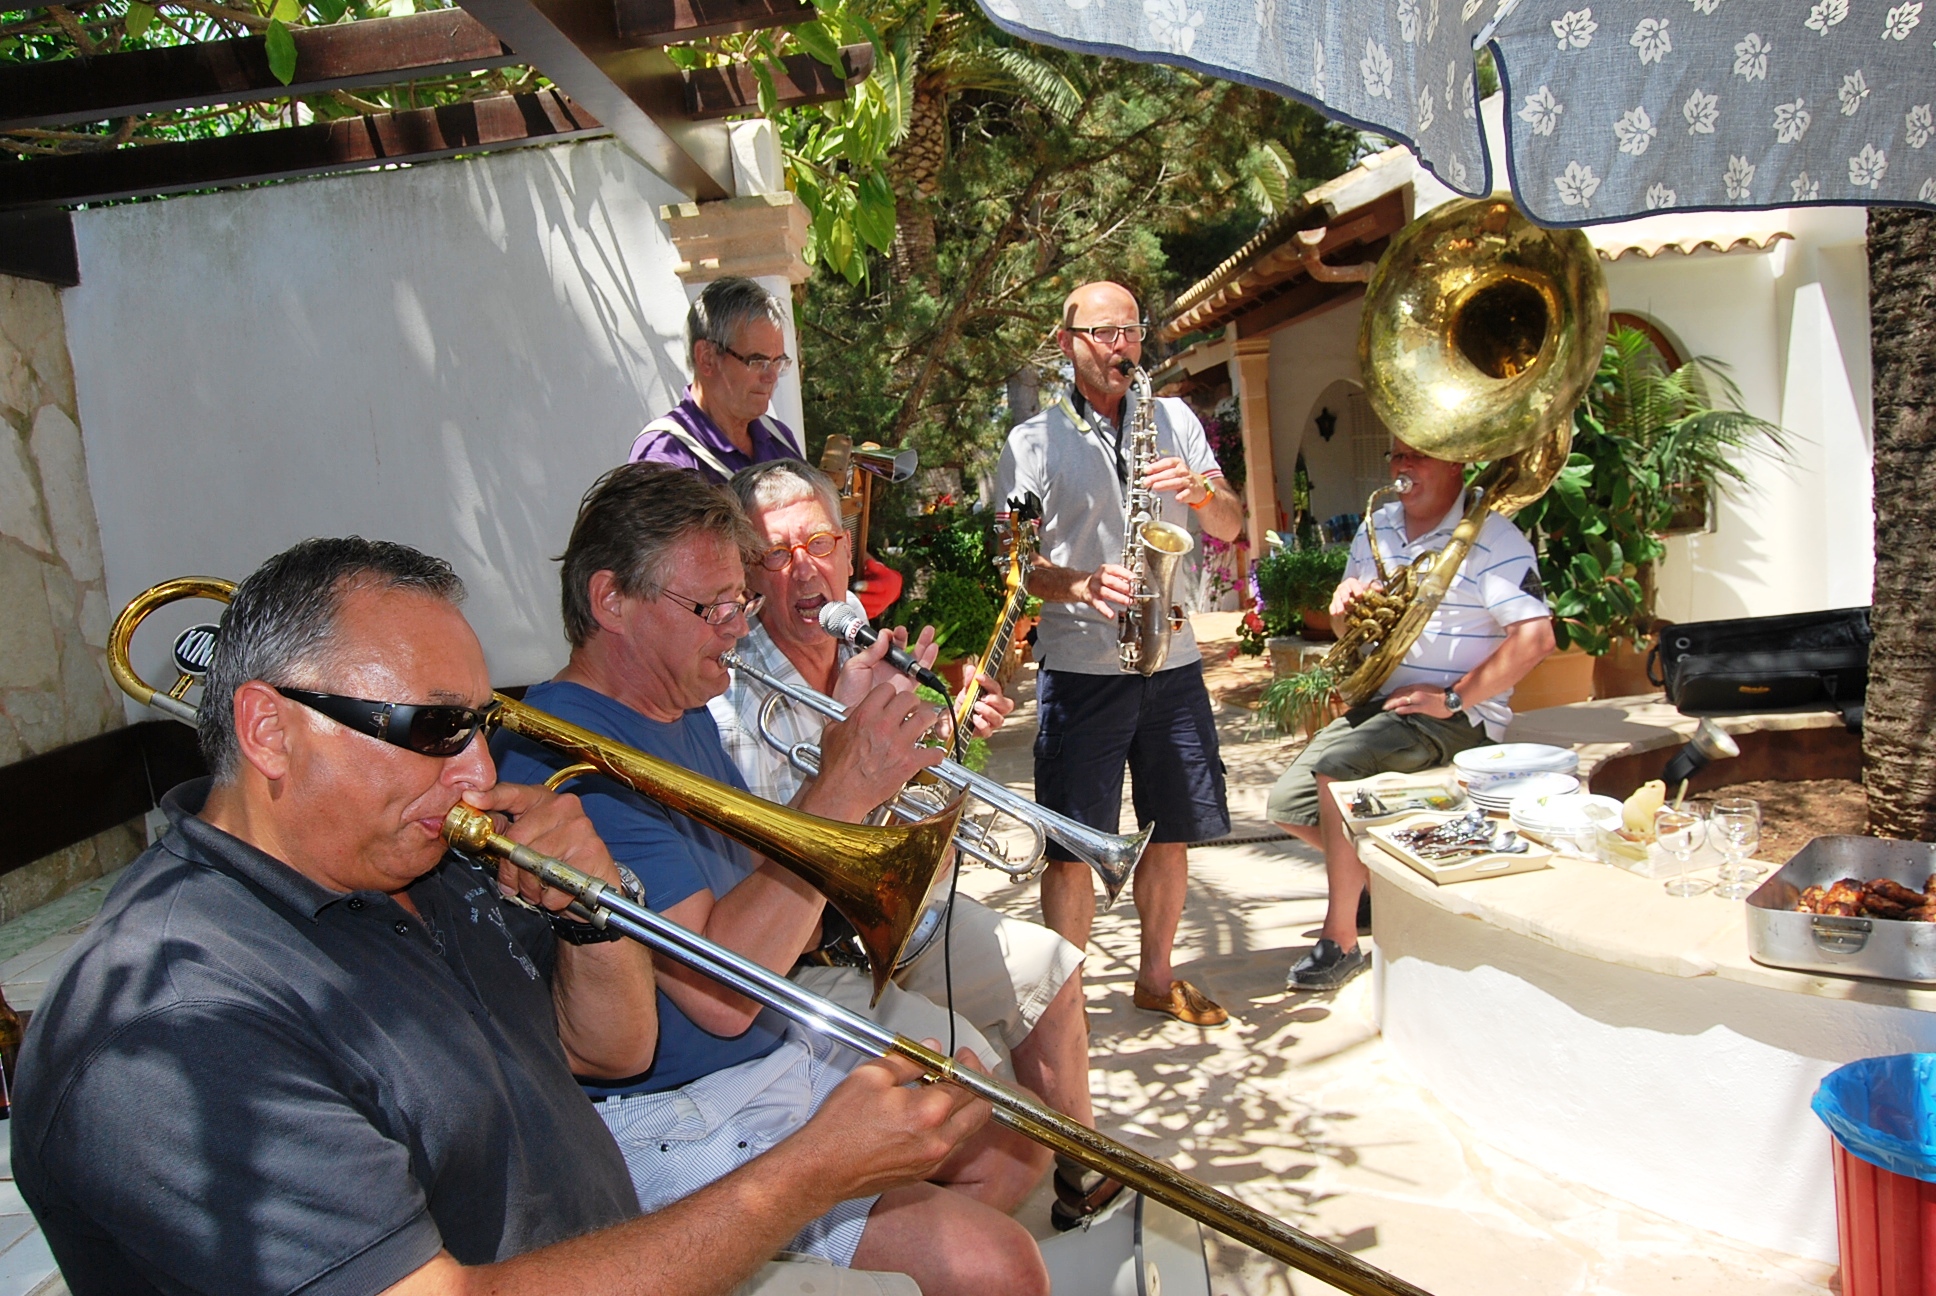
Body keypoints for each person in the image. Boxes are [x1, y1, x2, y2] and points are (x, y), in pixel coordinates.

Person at [10, 536, 988, 1296]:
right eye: (437, 728)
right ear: (269, 730)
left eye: (479, 725)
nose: (479, 772)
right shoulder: (174, 1024)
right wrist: (805, 1173)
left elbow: (612, 1050)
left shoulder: (423, 861)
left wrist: (595, 914)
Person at [494, 465, 1052, 1296]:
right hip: (677, 1104)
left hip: (770, 1049)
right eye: (711, 607)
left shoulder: (678, 708)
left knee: (1014, 1144)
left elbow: (763, 888)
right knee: (996, 1266)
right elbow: (721, 994)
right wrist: (841, 787)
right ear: (611, 601)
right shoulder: (565, 751)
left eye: (739, 602)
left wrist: (852, 774)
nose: (735, 626)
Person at [713, 458, 1119, 1230]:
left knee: (1053, 968)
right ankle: (910, 1249)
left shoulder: (867, 658)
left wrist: (945, 738)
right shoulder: (735, 696)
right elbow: (770, 866)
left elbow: (920, 822)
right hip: (809, 950)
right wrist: (844, 760)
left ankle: (1086, 1175)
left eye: (819, 543)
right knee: (984, 1095)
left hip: (896, 919)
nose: (805, 568)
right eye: (777, 552)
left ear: (847, 550)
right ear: (749, 572)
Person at [992, 281, 1246, 1030]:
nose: (1120, 346)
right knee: (1072, 847)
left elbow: (1231, 524)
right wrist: (1079, 583)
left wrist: (1198, 490)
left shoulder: (1174, 419)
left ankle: (1156, 978)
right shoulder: (1031, 442)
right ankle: (1062, 1003)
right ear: (1066, 342)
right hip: (1082, 670)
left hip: (1173, 659)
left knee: (1173, 830)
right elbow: (1012, 563)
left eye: (1131, 331)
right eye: (1103, 333)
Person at [1269, 440, 1557, 990]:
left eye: (1418, 455)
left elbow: (1536, 638)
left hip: (1459, 715)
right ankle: (1377, 887)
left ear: (1455, 462)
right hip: (1389, 706)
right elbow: (1351, 630)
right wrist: (1343, 607)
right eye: (1396, 455)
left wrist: (1454, 697)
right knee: (1288, 804)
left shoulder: (1494, 537)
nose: (1402, 466)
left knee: (1337, 768)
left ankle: (1340, 942)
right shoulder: (1376, 527)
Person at [630, 276, 806, 482]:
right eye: (758, 361)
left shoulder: (779, 439)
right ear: (707, 358)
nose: (772, 376)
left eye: (777, 362)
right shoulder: (664, 454)